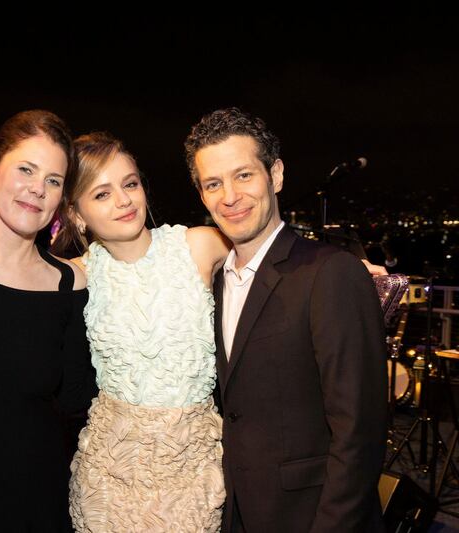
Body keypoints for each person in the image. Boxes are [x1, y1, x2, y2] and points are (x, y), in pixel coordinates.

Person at [184, 107, 387, 532]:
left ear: (274, 175)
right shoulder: (212, 282)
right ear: (201, 194)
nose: (229, 197)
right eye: (213, 184)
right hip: (236, 512)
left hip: (312, 517)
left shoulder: (331, 273)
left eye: (244, 175)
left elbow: (359, 434)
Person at [57, 132, 229, 532]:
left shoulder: (197, 245)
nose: (123, 200)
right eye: (101, 194)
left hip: (191, 468)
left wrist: (339, 271)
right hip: (110, 472)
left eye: (130, 184)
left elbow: (272, 252)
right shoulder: (78, 273)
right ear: (77, 214)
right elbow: (5, 270)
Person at [0, 110, 95, 532]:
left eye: (53, 180)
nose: (37, 189)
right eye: (25, 169)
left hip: (37, 500)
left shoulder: (69, 284)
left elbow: (78, 404)